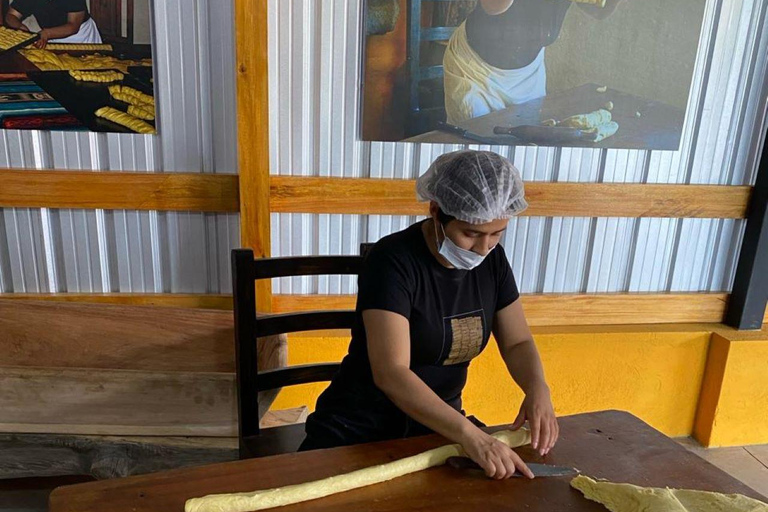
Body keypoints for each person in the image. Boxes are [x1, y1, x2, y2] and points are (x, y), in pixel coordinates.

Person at [300, 150, 557, 480]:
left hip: (439, 427)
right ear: (436, 211)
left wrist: (538, 389)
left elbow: (518, 340)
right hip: (359, 427)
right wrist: (472, 436)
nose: (484, 248)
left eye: (497, 234)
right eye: (471, 234)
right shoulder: (392, 261)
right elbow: (392, 372)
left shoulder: (493, 261)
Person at [444, 0, 622, 124]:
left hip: (528, 74)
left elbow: (600, 10)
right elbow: (492, 7)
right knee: (476, 147)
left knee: (524, 140)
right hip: (475, 71)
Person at [5, 0, 102, 49]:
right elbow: (11, 15)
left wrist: (47, 34)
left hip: (81, 37)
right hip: (50, 38)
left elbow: (73, 26)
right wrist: (21, 28)